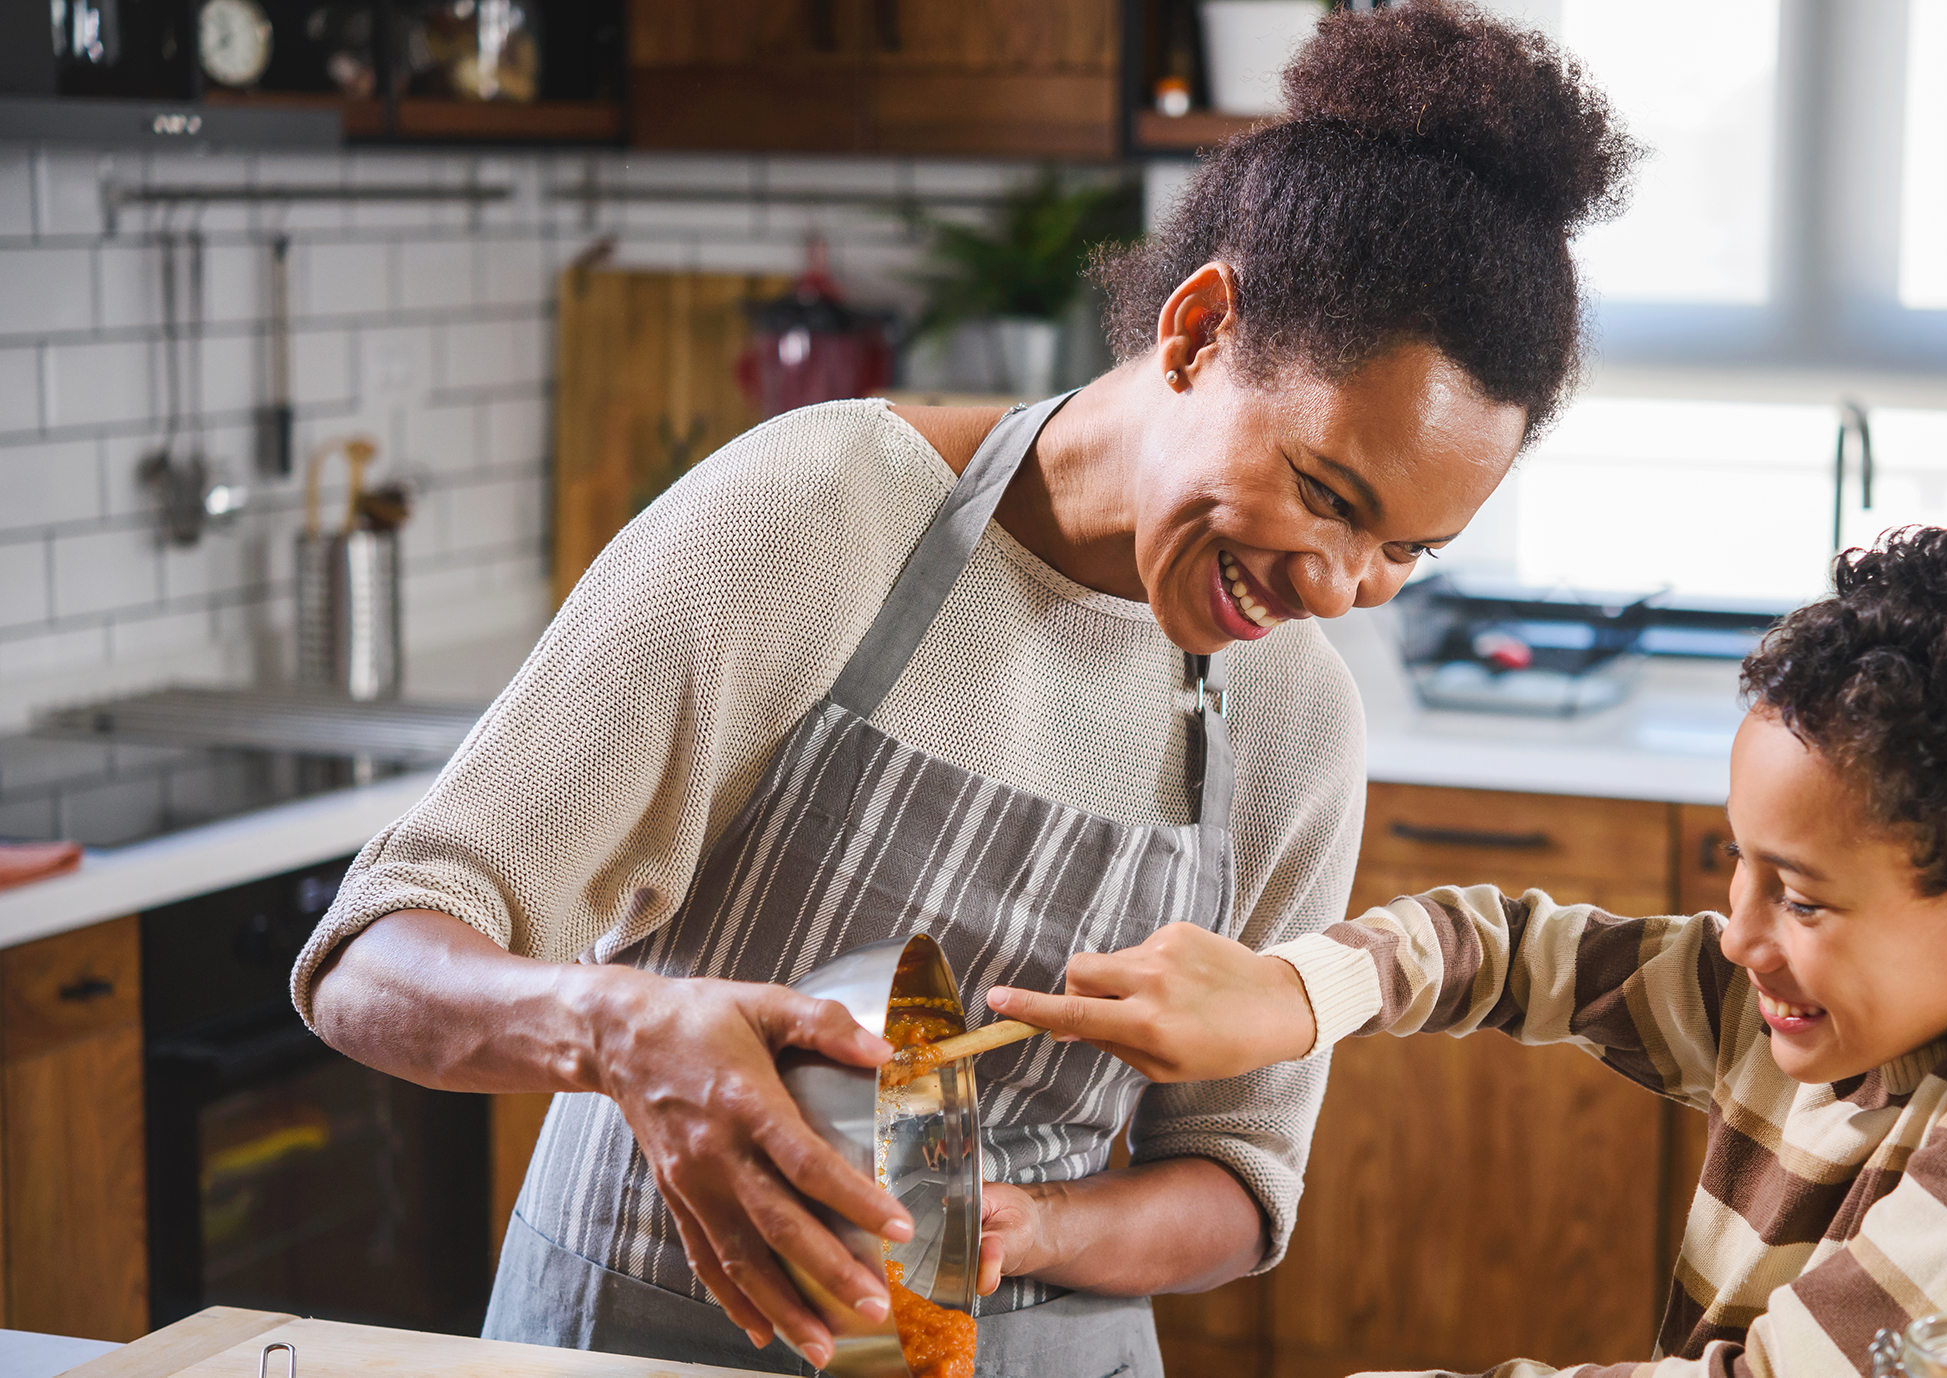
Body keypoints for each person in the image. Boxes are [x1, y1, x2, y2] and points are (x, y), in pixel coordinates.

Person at [291, 4, 1636, 1375]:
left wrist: (1031, 1228)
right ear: (1197, 330)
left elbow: (1240, 1180)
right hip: (651, 1334)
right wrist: (618, 1027)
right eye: (1326, 493)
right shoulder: (820, 518)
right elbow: (372, 956)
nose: (1343, 584)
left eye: (1407, 550)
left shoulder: (1295, 723)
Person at [991, 517, 1947, 1377]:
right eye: (1743, 866)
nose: (1737, 933)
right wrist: (1296, 995)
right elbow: (1511, 948)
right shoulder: (1843, 988)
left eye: (1802, 897)